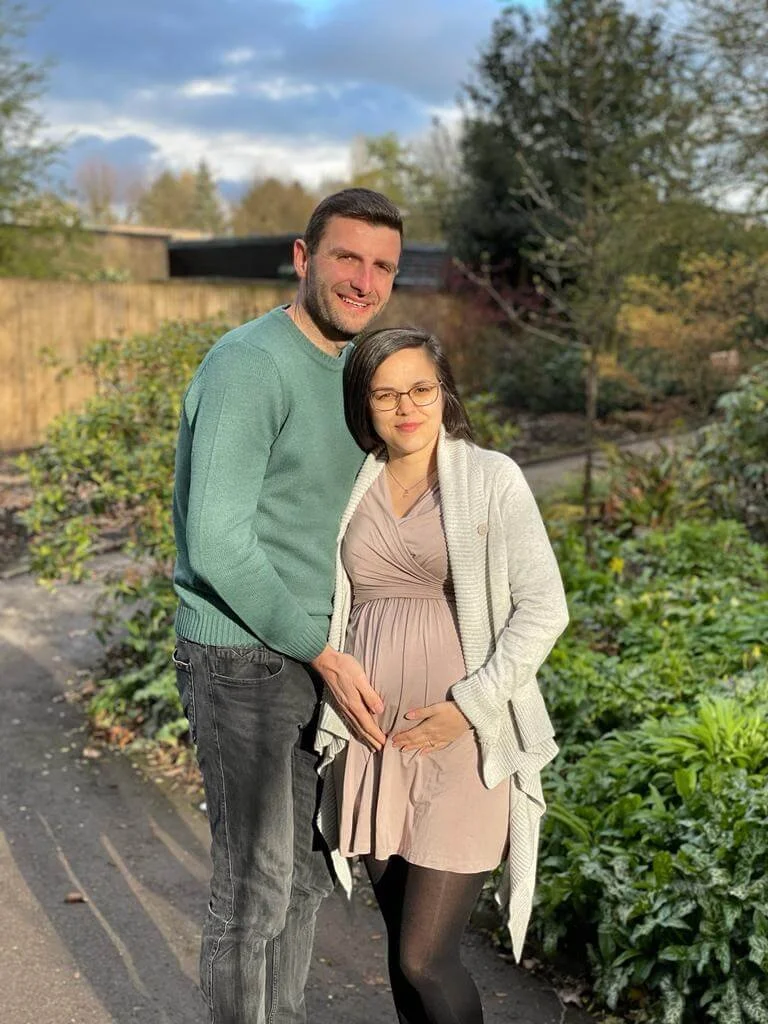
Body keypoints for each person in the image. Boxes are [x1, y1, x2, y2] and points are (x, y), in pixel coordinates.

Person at [171, 188, 403, 1024]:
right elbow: (219, 540)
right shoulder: (249, 363)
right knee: (255, 889)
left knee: (306, 882)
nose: (363, 280)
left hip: (309, 653)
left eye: (382, 266)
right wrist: (322, 648)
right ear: (303, 260)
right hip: (241, 656)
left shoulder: (357, 370)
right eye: (347, 257)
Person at [315, 327, 569, 1024]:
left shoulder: (489, 479)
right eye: (386, 393)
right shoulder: (349, 483)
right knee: (401, 947)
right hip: (372, 738)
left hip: (460, 738)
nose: (407, 407)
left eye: (420, 388)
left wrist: (470, 707)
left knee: (426, 957)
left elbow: (544, 607)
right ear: (363, 404)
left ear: (444, 390)